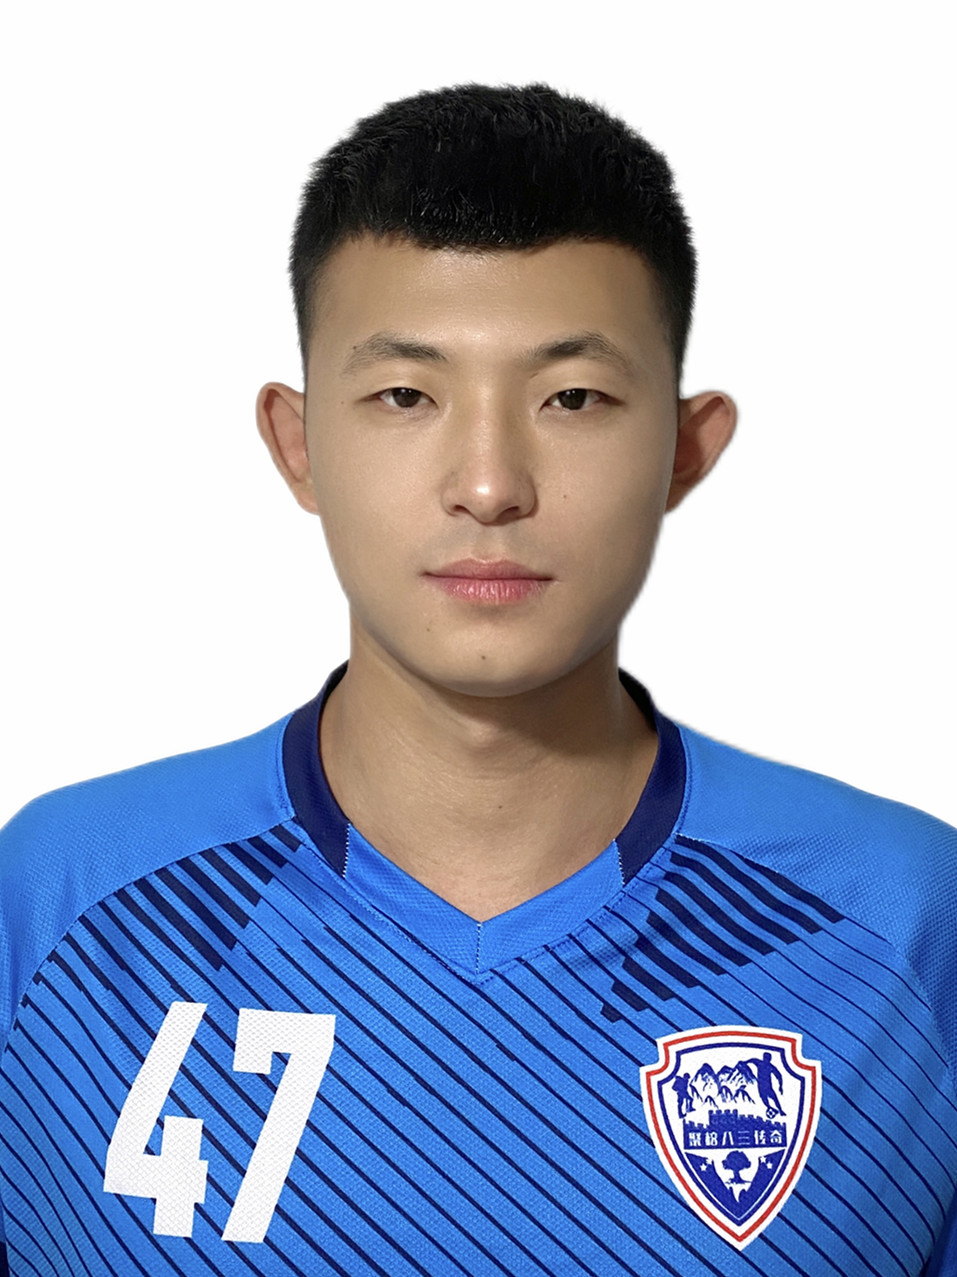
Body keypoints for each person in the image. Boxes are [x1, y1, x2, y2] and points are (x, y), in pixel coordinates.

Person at [0, 82, 954, 1277]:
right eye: (406, 394)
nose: (491, 484)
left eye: (573, 397)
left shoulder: (905, 921)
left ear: (685, 446)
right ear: (298, 444)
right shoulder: (64, 902)